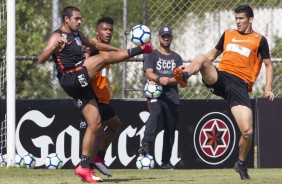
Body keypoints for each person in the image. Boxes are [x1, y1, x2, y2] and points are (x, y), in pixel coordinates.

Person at [38, 6, 152, 183]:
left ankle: (84, 167)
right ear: (66, 19)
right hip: (70, 77)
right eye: (76, 19)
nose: (79, 21)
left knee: (96, 124)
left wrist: (116, 49)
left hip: (81, 82)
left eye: (80, 18)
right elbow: (41, 59)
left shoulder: (78, 35)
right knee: (103, 58)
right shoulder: (57, 35)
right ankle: (142, 49)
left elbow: (96, 45)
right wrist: (54, 47)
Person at [175, 5, 274, 180]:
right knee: (200, 57)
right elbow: (212, 54)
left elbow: (268, 65)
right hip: (220, 78)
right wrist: (190, 67)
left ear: (250, 19)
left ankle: (241, 163)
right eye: (236, 18)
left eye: (241, 19)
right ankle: (184, 76)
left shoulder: (260, 40)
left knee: (247, 131)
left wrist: (268, 88)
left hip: (239, 85)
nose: (238, 22)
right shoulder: (228, 34)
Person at [138, 26, 185, 169]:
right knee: (155, 113)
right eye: (163, 36)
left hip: (172, 98)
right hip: (156, 96)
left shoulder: (177, 58)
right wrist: (159, 79)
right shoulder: (152, 55)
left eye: (168, 36)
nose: (165, 38)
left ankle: (165, 162)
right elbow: (149, 73)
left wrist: (167, 80)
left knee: (170, 130)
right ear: (158, 38)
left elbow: (181, 80)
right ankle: (145, 144)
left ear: (171, 37)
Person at [83, 16, 121, 177]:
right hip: (93, 98)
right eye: (104, 29)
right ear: (96, 31)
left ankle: (99, 157)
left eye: (110, 30)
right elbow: (85, 62)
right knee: (96, 130)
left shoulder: (107, 49)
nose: (108, 32)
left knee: (115, 125)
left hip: (103, 98)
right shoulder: (92, 47)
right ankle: (88, 167)